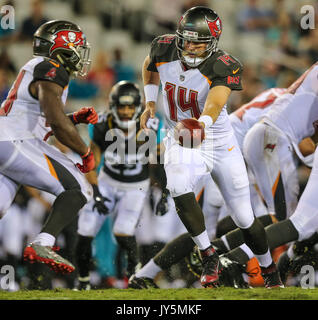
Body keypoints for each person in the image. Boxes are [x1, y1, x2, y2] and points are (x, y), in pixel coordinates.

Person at [135, 6, 282, 288]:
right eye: (186, 39)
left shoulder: (224, 63)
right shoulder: (163, 47)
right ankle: (208, 253)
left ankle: (270, 271)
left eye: (197, 41)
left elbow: (215, 101)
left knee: (244, 217)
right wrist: (150, 101)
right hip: (181, 136)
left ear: (212, 42)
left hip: (217, 139)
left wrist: (200, 123)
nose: (189, 46)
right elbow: (149, 64)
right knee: (177, 185)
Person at [0, 20, 98, 274]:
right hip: (14, 142)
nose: (80, 53)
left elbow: (42, 120)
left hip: (9, 142)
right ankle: (43, 243)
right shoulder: (51, 68)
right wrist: (85, 152)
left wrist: (74, 119)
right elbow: (54, 120)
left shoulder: (40, 68)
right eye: (77, 46)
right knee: (78, 189)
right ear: (63, 47)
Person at [74, 81, 161, 290]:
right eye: (122, 106)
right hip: (107, 182)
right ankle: (83, 280)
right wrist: (95, 191)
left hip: (136, 185)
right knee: (85, 230)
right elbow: (91, 161)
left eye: (130, 106)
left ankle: (133, 276)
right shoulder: (102, 123)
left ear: (138, 106)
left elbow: (157, 160)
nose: (126, 111)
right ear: (113, 105)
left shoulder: (151, 125)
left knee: (123, 231)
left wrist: (163, 190)